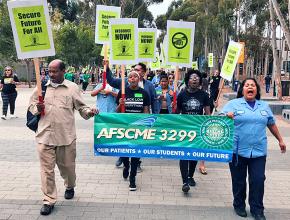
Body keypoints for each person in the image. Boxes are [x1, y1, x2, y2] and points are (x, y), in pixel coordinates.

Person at [28, 59, 98, 216]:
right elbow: (31, 106)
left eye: (54, 71)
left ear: (63, 71)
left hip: (66, 137)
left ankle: (70, 185)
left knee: (68, 168)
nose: (51, 74)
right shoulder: (41, 88)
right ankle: (48, 200)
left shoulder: (72, 88)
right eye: (49, 71)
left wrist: (90, 112)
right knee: (46, 171)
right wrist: (36, 108)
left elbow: (82, 108)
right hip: (44, 136)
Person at [221, 78, 286, 220]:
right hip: (237, 150)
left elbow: (271, 123)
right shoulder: (233, 104)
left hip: (258, 151)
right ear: (242, 89)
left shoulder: (264, 106)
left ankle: (257, 209)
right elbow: (218, 119)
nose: (250, 87)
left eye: (252, 85)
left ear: (256, 89)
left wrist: (280, 140)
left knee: (258, 180)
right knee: (239, 180)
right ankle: (239, 205)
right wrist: (226, 116)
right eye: (247, 85)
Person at [105, 61, 158, 169]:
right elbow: (111, 81)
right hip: (126, 121)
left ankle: (136, 164)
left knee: (138, 143)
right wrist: (106, 68)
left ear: (143, 73)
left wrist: (154, 117)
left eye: (138, 70)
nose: (134, 73)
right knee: (125, 142)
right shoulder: (125, 82)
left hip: (140, 121)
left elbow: (153, 101)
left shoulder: (149, 86)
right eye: (133, 70)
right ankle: (123, 158)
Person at [176, 70, 210, 193]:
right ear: (188, 81)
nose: (194, 79)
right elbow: (177, 112)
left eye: (197, 77)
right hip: (184, 129)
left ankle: (190, 176)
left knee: (194, 155)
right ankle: (185, 181)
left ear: (200, 81)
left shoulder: (204, 95)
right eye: (192, 77)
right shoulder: (182, 95)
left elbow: (207, 113)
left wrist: (209, 124)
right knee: (184, 155)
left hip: (198, 129)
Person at [116, 70, 150, 191]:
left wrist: (145, 128)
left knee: (135, 154)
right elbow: (116, 112)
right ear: (128, 80)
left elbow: (146, 111)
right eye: (130, 77)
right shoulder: (123, 92)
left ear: (139, 78)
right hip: (125, 129)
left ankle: (132, 178)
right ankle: (126, 166)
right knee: (125, 153)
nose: (133, 78)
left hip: (138, 129)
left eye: (135, 76)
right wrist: (120, 104)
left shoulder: (144, 93)